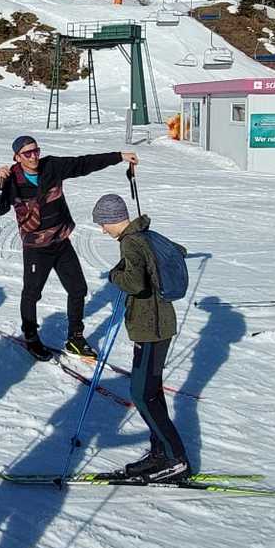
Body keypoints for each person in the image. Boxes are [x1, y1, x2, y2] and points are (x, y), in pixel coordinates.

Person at [0, 135, 135, 361]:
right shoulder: (12, 180)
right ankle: (31, 337)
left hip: (61, 241)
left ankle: (75, 337)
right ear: (17, 157)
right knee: (32, 294)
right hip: (36, 247)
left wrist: (120, 156)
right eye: (27, 153)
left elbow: (83, 164)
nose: (34, 157)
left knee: (78, 289)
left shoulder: (51, 167)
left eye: (36, 151)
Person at [91, 193, 189, 483]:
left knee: (141, 394)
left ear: (113, 219)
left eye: (103, 223)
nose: (102, 230)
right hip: (158, 322)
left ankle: (175, 459)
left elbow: (134, 283)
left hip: (151, 326)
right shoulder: (145, 234)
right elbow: (178, 251)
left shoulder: (131, 242)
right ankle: (160, 453)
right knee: (150, 391)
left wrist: (115, 275)